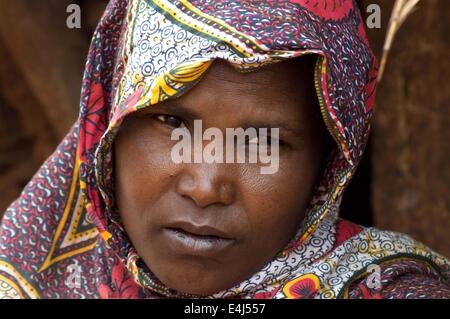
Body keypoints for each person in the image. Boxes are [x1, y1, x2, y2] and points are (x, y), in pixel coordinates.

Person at [0, 0, 449, 299]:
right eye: (171, 121)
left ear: (327, 167)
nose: (205, 186)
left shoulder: (388, 288)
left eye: (261, 142)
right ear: (109, 130)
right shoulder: (35, 272)